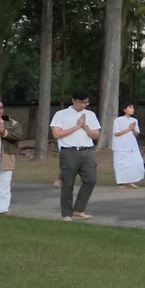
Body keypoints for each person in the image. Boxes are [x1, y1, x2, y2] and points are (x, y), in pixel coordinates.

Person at [51, 89, 101, 220]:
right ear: (73, 100)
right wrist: (77, 126)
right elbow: (56, 134)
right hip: (69, 151)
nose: (83, 105)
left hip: (87, 150)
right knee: (68, 182)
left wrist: (85, 127)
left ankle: (79, 209)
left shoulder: (90, 114)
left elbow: (96, 135)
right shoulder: (61, 114)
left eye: (86, 102)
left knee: (91, 179)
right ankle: (66, 213)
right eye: (81, 102)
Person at [0, 99, 17, 215]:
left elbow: (17, 136)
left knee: (5, 186)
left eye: (1, 107)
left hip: (6, 158)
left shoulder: (11, 123)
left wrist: (4, 132)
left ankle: (3, 210)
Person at [110, 102, 145, 188]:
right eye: (130, 107)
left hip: (132, 145)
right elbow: (117, 133)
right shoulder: (118, 120)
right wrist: (129, 129)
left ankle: (130, 181)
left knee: (136, 163)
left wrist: (132, 129)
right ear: (124, 109)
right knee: (122, 164)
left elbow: (136, 133)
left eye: (133, 108)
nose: (132, 109)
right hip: (121, 146)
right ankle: (121, 182)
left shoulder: (134, 120)